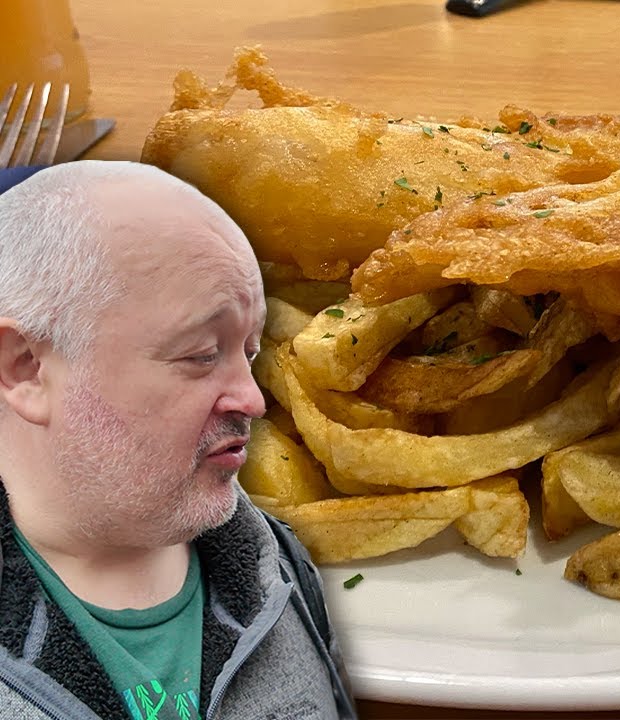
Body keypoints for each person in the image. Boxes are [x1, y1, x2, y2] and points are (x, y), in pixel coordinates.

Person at [0, 161, 356, 720]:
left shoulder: (281, 565)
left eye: (249, 352)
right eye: (201, 355)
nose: (254, 400)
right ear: (26, 368)